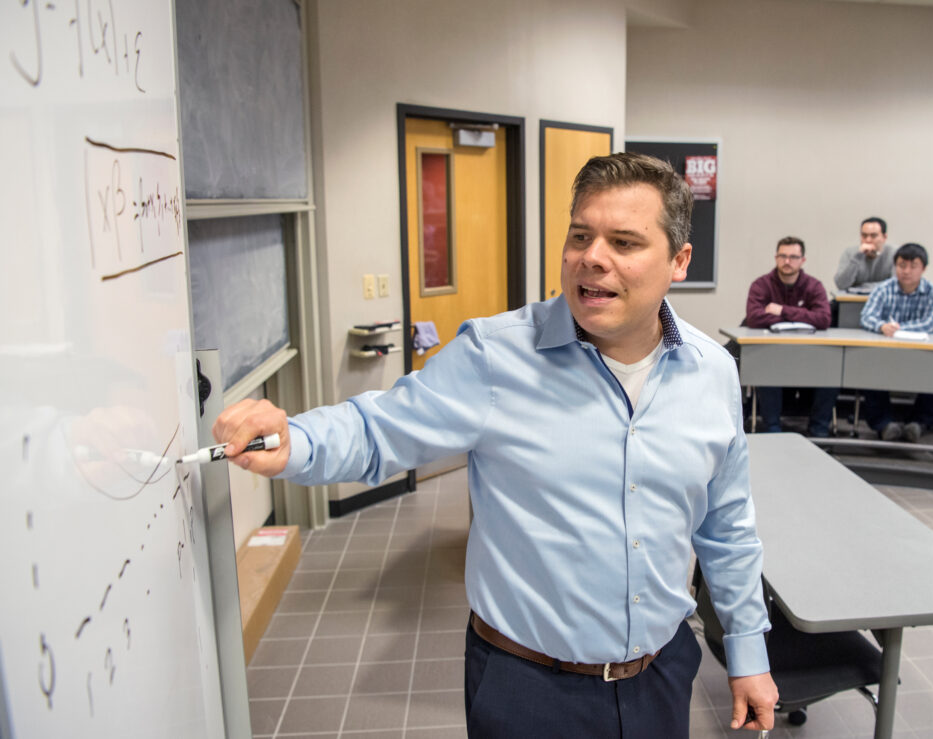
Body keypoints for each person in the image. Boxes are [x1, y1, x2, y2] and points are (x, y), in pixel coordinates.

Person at [213, 153, 777, 737]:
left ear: (678, 260)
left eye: (624, 242)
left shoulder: (711, 373)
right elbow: (377, 428)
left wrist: (747, 651)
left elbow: (726, 524)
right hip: (528, 688)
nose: (592, 257)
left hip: (661, 674)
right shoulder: (496, 355)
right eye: (580, 235)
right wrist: (295, 438)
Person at [745, 236, 837, 437]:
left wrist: (781, 311)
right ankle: (772, 431)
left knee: (833, 370)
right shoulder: (761, 285)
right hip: (772, 354)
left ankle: (819, 432)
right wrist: (803, 316)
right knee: (764, 367)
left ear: (802, 260)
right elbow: (753, 318)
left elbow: (823, 319)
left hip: (810, 356)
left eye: (793, 257)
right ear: (776, 257)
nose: (787, 261)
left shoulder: (814, 286)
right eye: (783, 256)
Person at [859, 243, 933, 442]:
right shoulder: (883, 288)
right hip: (886, 354)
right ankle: (884, 425)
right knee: (868, 371)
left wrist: (897, 329)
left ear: (923, 268)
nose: (906, 271)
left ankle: (919, 424)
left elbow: (930, 323)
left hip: (924, 355)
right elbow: (867, 316)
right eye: (901, 265)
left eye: (913, 266)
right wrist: (881, 326)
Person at [834, 217, 895, 291]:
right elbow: (841, 285)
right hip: (852, 301)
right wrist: (858, 257)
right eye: (864, 235)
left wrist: (865, 287)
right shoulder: (850, 253)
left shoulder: (894, 254)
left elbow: (896, 285)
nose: (868, 240)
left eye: (873, 236)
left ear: (884, 237)